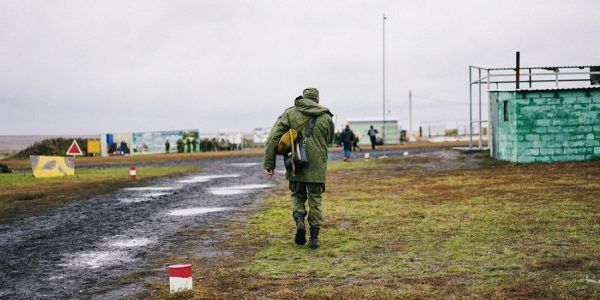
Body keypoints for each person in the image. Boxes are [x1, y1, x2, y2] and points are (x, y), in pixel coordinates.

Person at [264, 87, 334, 249]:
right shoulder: (325, 116)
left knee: (297, 196)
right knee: (315, 200)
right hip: (317, 166)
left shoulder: (290, 113)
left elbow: (273, 138)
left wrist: (269, 164)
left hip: (296, 164)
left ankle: (300, 222)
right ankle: (314, 238)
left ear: (303, 98)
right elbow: (330, 139)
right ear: (318, 99)